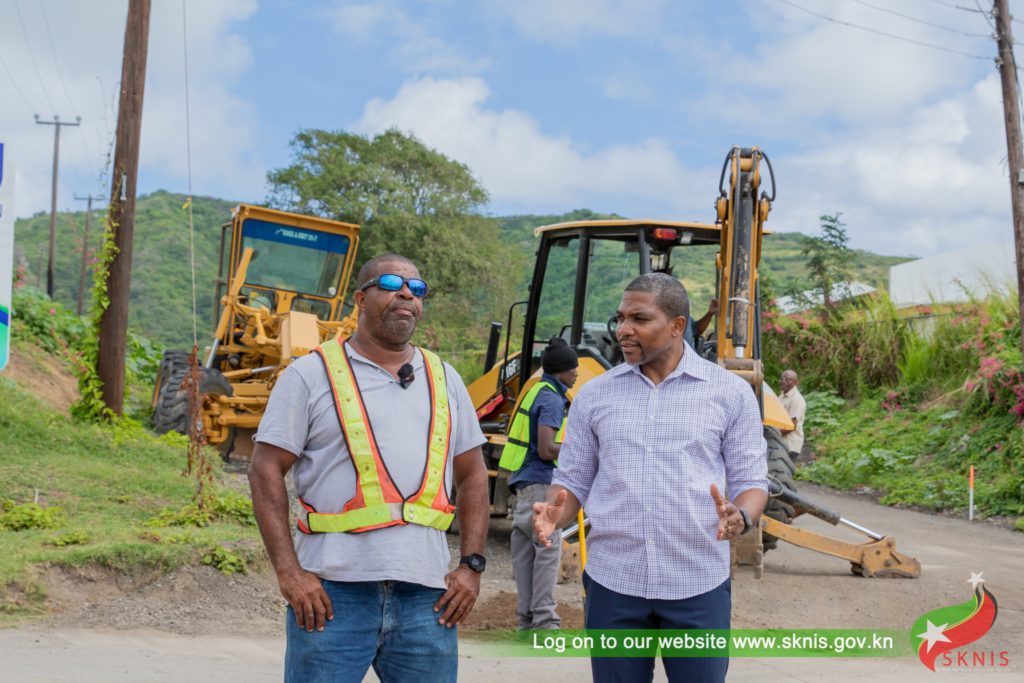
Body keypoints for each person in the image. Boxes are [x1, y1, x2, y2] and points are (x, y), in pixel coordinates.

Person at [248, 253, 490, 683]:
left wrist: (471, 567)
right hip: (331, 595)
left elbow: (472, 474)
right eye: (392, 284)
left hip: (427, 598)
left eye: (417, 289)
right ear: (360, 299)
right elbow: (265, 469)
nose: (406, 295)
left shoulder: (446, 378)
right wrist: (289, 572)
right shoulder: (309, 375)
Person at [532, 273, 768, 683]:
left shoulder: (729, 394)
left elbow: (752, 480)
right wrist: (556, 511)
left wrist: (742, 516)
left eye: (639, 319)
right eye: (621, 318)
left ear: (677, 326)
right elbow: (572, 479)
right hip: (614, 584)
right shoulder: (594, 395)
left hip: (697, 583)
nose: (624, 329)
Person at [502, 337, 579, 630]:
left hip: (523, 484)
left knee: (525, 555)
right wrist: (580, 450)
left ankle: (526, 624)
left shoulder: (536, 390)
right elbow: (547, 449)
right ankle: (545, 624)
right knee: (547, 551)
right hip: (540, 484)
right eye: (572, 368)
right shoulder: (552, 398)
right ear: (560, 370)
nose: (576, 373)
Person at [778, 369, 806, 462]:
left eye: (788, 379)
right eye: (782, 379)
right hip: (780, 443)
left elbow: (791, 426)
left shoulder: (796, 399)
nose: (783, 381)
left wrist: (774, 434)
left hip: (790, 445)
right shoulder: (782, 396)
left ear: (796, 382)